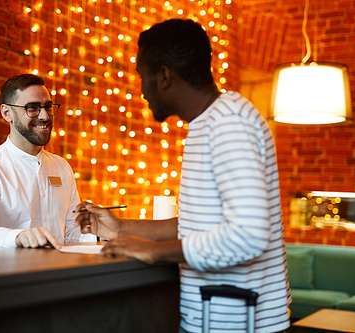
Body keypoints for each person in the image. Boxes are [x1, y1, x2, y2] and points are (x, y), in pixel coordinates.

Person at [75, 19, 291, 333]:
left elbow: (249, 233)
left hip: (238, 325)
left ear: (163, 76)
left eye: (142, 76)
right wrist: (121, 227)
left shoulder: (228, 122)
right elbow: (207, 224)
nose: (141, 89)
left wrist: (154, 251)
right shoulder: (211, 120)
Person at [0, 74, 96, 250]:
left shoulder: (62, 167)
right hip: (10, 276)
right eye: (32, 108)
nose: (45, 116)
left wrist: (102, 233)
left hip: (59, 273)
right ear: (7, 113)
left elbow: (69, 233)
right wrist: (18, 237)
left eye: (47, 106)